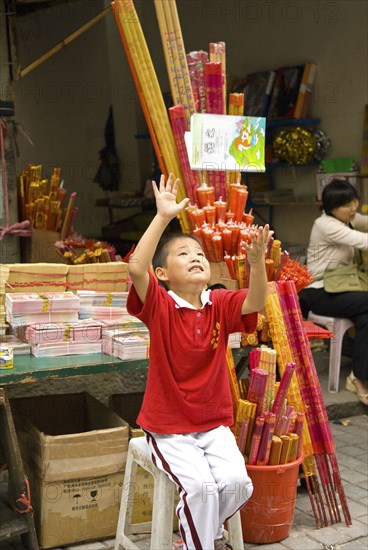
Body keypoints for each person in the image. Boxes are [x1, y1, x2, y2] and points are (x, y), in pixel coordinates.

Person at [127, 173, 270, 550]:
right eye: (183, 254)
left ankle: (203, 534)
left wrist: (257, 264)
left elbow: (256, 303)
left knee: (238, 483)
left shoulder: (218, 303)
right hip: (169, 425)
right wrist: (162, 217)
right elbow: (136, 268)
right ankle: (200, 542)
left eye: (200, 254)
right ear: (163, 275)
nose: (195, 258)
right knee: (202, 490)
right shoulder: (159, 305)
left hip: (212, 422)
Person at [299, 179, 368, 405]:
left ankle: (358, 374)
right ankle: (359, 377)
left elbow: (364, 222)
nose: (353, 208)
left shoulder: (347, 219)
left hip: (341, 287)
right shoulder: (325, 225)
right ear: (331, 207)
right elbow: (363, 240)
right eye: (346, 204)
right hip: (320, 292)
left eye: (354, 201)